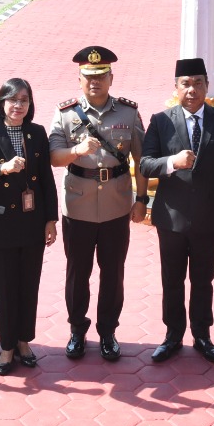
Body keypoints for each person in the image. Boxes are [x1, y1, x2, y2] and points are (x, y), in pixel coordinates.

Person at [139, 58, 214, 363]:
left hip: (209, 218)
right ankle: (172, 336)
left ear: (207, 87)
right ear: (176, 88)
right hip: (170, 218)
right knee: (171, 280)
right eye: (185, 83)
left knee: (203, 280)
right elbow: (146, 164)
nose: (192, 89)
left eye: (198, 82)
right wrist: (172, 162)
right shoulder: (161, 121)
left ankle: (202, 335)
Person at [48, 46, 148, 362]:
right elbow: (54, 157)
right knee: (78, 272)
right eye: (89, 77)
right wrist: (77, 149)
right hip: (77, 206)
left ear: (111, 78)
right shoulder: (65, 113)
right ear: (79, 79)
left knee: (112, 272)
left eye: (101, 76)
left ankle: (108, 332)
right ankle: (77, 330)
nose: (95, 82)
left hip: (117, 206)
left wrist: (141, 199)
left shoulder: (128, 113)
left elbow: (141, 159)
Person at [0, 79, 58, 374]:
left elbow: (45, 178)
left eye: (24, 100)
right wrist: (2, 169)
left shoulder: (37, 133)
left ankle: (23, 341)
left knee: (28, 285)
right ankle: (6, 347)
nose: (18, 105)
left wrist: (51, 219)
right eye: (12, 100)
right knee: (5, 288)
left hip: (32, 222)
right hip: (0, 226)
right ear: (1, 103)